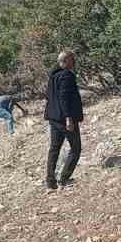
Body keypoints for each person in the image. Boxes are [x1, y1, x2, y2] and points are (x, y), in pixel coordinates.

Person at [44, 51, 84, 189]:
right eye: (72, 60)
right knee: (76, 148)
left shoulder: (53, 76)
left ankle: (50, 181)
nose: (74, 62)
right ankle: (64, 178)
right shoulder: (66, 75)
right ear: (66, 60)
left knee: (54, 149)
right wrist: (68, 118)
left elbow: (48, 96)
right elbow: (64, 97)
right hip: (64, 119)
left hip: (53, 118)